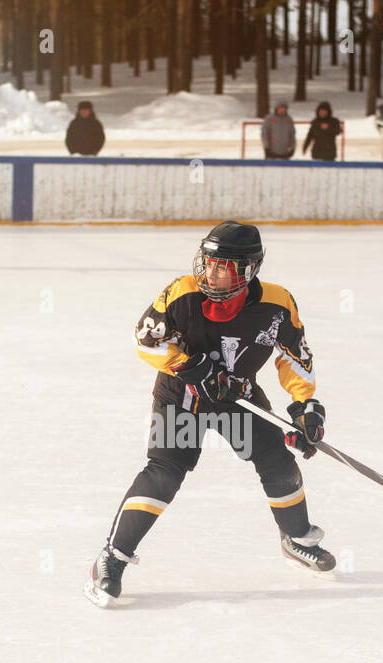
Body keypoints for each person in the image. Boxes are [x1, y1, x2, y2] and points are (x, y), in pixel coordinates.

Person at [85, 221, 333, 607]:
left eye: (224, 266)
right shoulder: (181, 293)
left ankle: (296, 538)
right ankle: (112, 558)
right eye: (209, 263)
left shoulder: (278, 303)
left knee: (278, 463)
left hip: (239, 399)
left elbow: (294, 357)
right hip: (182, 398)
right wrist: (188, 366)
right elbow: (145, 340)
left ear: (249, 269)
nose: (211, 273)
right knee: (164, 474)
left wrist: (304, 406)